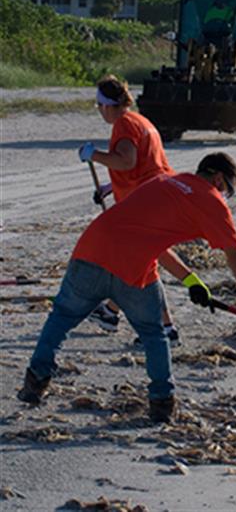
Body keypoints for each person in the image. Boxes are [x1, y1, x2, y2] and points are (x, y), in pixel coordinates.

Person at [16, 153, 236, 423]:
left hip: (91, 249)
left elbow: (153, 242)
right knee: (154, 334)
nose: (224, 196)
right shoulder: (211, 200)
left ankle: (34, 385)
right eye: (227, 190)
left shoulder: (165, 180)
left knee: (61, 318)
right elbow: (235, 256)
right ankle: (162, 403)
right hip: (132, 267)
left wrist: (191, 280)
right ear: (218, 178)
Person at [81, 75, 179, 345]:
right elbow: (143, 166)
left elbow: (126, 161)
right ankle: (111, 312)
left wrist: (94, 155)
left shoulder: (124, 124)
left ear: (108, 105)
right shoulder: (139, 120)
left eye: (99, 105)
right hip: (155, 198)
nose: (99, 111)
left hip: (145, 207)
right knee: (133, 262)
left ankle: (165, 328)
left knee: (143, 266)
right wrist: (110, 188)